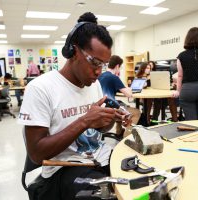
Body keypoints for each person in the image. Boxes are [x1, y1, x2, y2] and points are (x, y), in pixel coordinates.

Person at [18, 12, 130, 199]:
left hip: (100, 159)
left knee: (142, 180)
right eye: (94, 62)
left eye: (103, 65)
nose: (98, 71)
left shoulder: (95, 84)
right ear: (74, 51)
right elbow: (37, 154)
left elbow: (100, 130)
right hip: (64, 169)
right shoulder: (41, 88)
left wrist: (110, 118)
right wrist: (85, 121)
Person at [98, 55, 140, 136]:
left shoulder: (102, 75)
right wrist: (129, 89)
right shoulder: (113, 77)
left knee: (121, 104)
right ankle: (126, 138)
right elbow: (129, 95)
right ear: (117, 66)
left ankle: (119, 133)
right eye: (120, 67)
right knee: (136, 113)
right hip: (111, 109)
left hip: (102, 107)